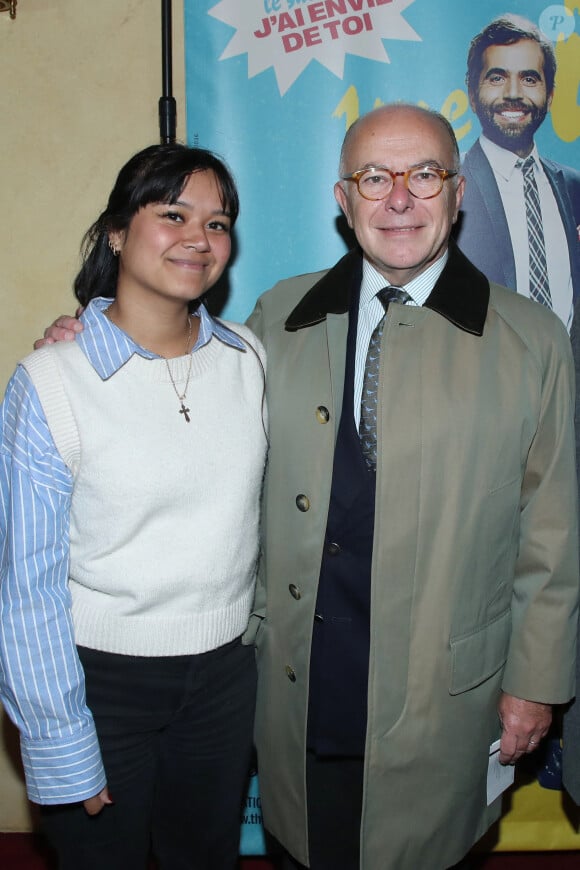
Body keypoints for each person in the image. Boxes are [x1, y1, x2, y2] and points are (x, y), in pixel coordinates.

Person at [35, 105, 580, 869]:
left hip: (445, 692)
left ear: (459, 196)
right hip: (298, 680)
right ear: (341, 197)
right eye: (373, 177)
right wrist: (88, 332)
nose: (399, 198)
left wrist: (536, 686)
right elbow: (173, 376)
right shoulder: (276, 318)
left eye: (425, 175)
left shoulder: (532, 340)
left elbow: (554, 533)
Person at [0, 144, 268, 870]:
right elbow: (25, 585)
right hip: (99, 685)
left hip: (225, 678)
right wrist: (58, 736)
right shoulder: (51, 379)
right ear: (118, 230)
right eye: (173, 213)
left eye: (218, 223)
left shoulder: (250, 358)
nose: (198, 238)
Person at [456, 14, 580, 332]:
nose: (513, 93)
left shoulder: (574, 187)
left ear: (550, 96)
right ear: (472, 93)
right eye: (497, 78)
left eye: (529, 79)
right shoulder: (447, 188)